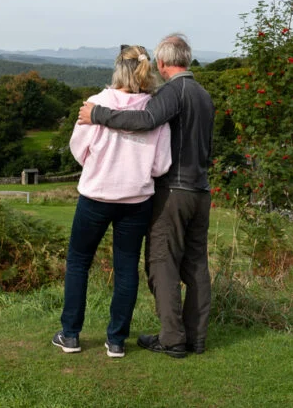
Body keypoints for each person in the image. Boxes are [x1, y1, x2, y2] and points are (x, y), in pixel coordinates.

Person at [78, 33, 214, 358]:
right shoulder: (204, 94)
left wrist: (98, 115)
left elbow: (146, 121)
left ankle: (172, 339)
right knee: (196, 265)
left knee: (162, 263)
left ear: (162, 62)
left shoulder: (175, 91)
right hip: (202, 191)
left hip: (175, 192)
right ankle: (196, 338)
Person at [53, 45, 171, 358]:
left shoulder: (96, 104)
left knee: (78, 262)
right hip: (137, 199)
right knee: (126, 267)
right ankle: (116, 340)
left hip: (96, 195)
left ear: (117, 69)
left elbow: (79, 152)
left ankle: (70, 334)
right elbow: (161, 166)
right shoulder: (155, 113)